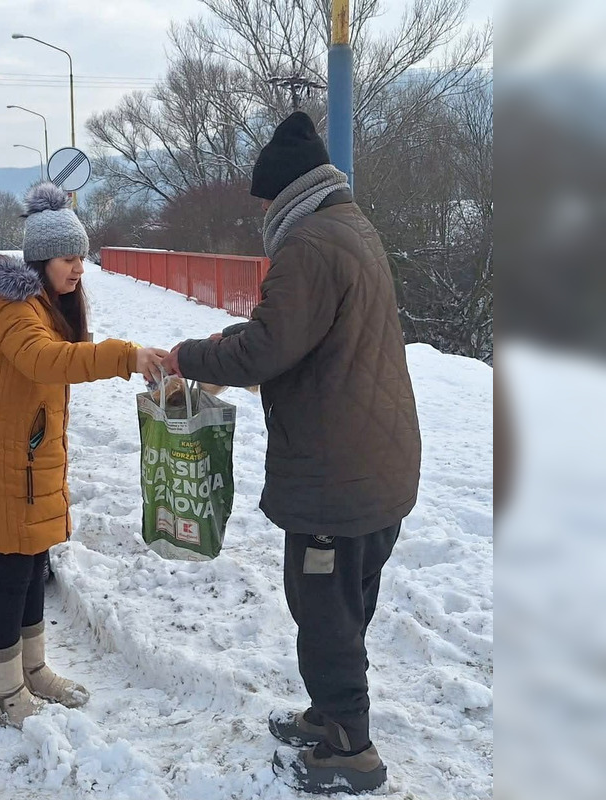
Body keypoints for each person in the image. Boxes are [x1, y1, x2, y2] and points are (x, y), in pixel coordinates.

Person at [162, 112, 421, 794]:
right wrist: (227, 348)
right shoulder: (349, 227)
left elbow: (268, 347)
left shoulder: (307, 246)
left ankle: (350, 748)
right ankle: (330, 713)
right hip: (374, 460)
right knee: (340, 602)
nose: (262, 213)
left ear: (287, 192)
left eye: (266, 200)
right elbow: (295, 336)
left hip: (339, 472)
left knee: (324, 610)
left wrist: (190, 357)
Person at [0, 183, 167, 728]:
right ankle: (4, 697)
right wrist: (126, 356)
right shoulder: (10, 309)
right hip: (2, 469)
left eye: (82, 257)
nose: (79, 269)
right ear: (41, 258)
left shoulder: (42, 305)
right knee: (10, 577)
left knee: (32, 568)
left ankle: (33, 671)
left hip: (27, 465)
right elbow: (47, 360)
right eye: (69, 258)